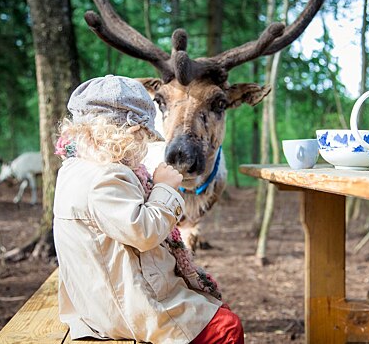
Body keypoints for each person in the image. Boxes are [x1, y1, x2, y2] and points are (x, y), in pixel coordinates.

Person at [53, 75, 244, 343]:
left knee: (211, 309)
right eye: (144, 139)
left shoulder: (74, 170)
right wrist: (165, 188)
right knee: (227, 328)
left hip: (99, 293)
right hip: (121, 306)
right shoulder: (105, 178)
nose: (144, 150)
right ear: (129, 134)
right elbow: (144, 233)